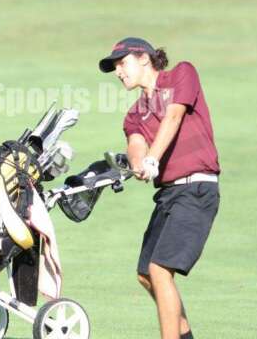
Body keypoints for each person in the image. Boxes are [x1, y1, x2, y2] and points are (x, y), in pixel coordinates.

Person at [98, 37, 220, 339]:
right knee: (146, 274)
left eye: (122, 63)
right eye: (115, 67)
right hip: (168, 196)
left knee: (160, 270)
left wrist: (153, 158)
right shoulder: (134, 114)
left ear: (144, 58)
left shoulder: (181, 74)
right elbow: (135, 144)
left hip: (196, 189)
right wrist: (139, 162)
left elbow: (174, 115)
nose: (118, 72)